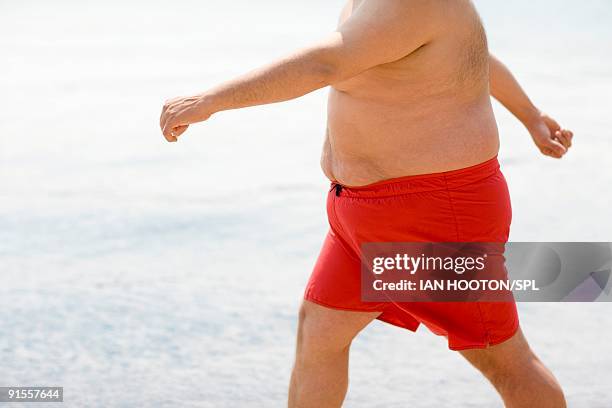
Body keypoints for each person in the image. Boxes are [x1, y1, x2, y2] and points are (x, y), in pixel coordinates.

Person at [159, 1, 572, 406]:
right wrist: (531, 116)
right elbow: (472, 55)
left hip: (434, 218)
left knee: (503, 359)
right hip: (357, 214)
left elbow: (325, 64)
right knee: (319, 332)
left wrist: (211, 100)